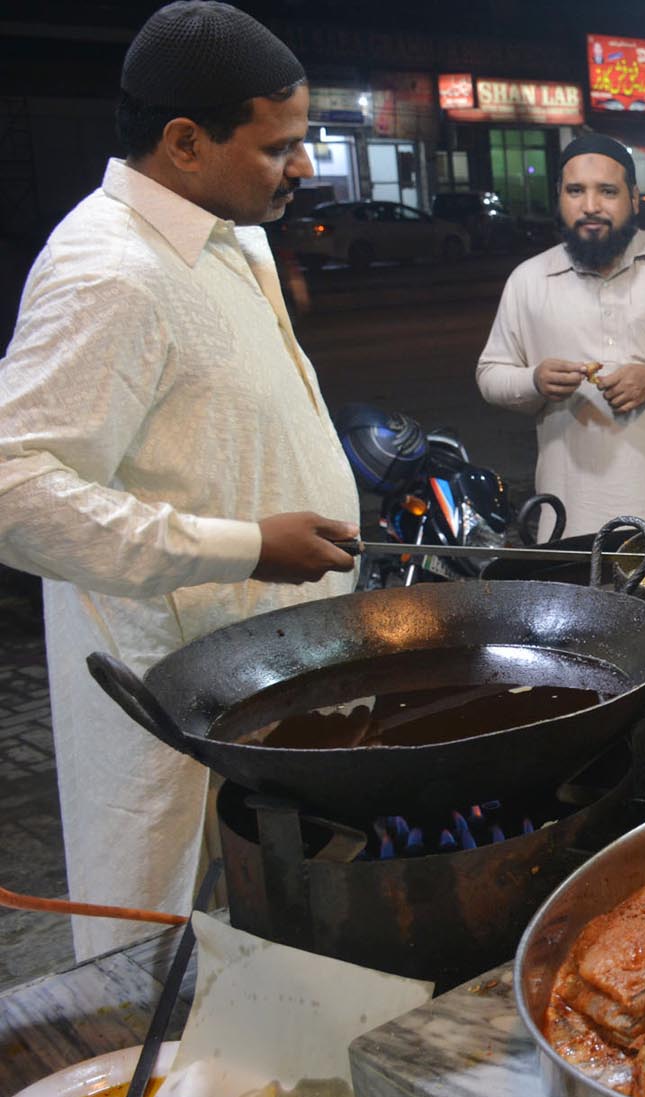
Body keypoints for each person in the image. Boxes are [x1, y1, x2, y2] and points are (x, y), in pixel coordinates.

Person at [0, 1, 359, 958]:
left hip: (273, 674)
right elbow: (15, 488)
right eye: (279, 144)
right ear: (185, 142)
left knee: (277, 946)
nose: (305, 166)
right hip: (179, 702)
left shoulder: (229, 225)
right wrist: (244, 546)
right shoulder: (108, 271)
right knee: (171, 963)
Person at [477, 134, 645, 534]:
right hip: (578, 518)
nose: (591, 206)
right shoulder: (529, 279)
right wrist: (534, 379)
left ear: (634, 198)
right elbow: (490, 373)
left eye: (607, 191)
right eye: (576, 191)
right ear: (559, 197)